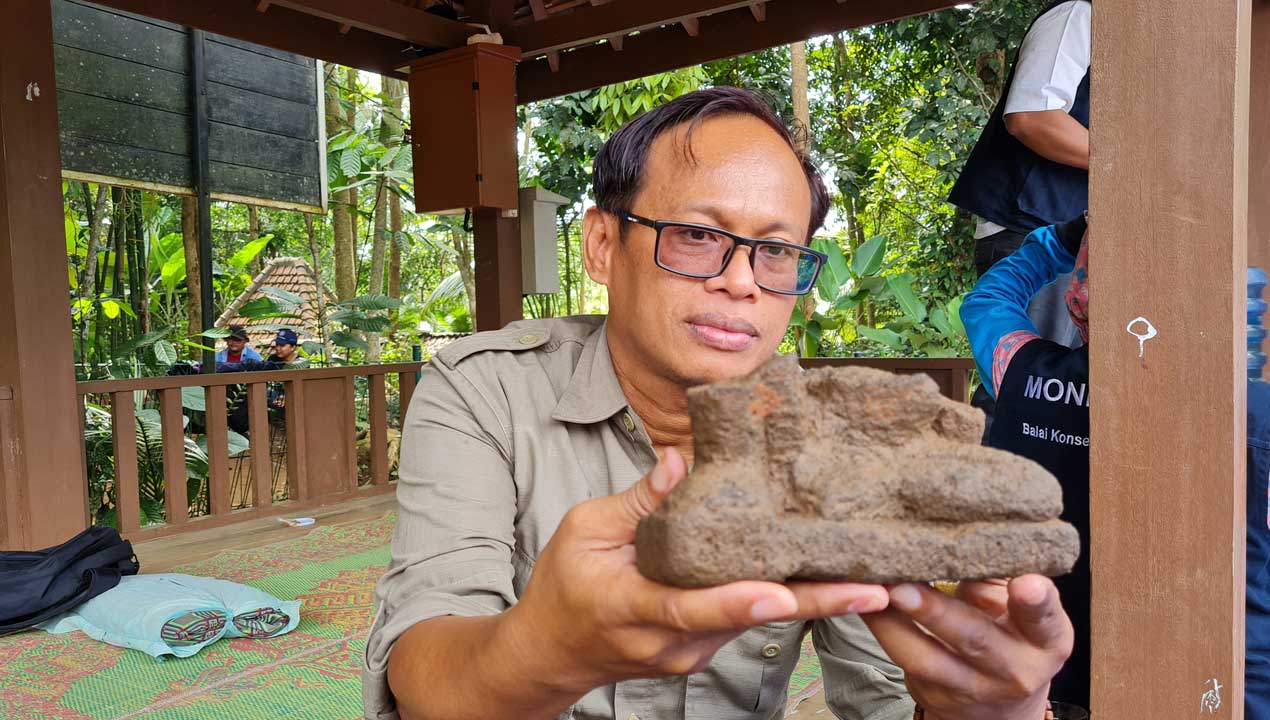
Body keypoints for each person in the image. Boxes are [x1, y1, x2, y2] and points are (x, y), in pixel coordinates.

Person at [366, 88, 1074, 720]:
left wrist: (978, 709)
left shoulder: (833, 440)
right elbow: (423, 671)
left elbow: (883, 695)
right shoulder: (483, 390)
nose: (742, 282)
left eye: (776, 252)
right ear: (603, 243)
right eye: (699, 235)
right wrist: (545, 647)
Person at [960, 214, 1090, 710]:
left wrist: (1057, 242)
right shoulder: (1218, 407)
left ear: (1077, 301)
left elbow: (989, 300)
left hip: (1028, 654)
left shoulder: (1018, 369)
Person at [949, 0, 1090, 349]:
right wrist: (1130, 165)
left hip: (1073, 240)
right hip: (1028, 234)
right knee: (1029, 389)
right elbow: (1033, 116)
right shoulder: (1079, 13)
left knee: (1064, 391)